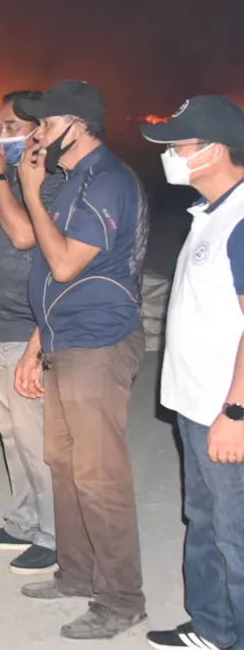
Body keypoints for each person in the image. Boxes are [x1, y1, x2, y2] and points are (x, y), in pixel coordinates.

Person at [12, 80, 149, 641]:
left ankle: (121, 600)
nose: (35, 135)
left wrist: (29, 187)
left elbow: (65, 265)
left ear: (78, 126)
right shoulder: (72, 183)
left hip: (97, 344)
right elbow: (50, 277)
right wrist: (35, 345)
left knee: (99, 477)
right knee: (64, 465)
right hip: (63, 342)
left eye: (43, 124)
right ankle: (76, 572)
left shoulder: (107, 183)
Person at [140, 97, 244, 650]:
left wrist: (238, 411)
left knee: (237, 537)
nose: (170, 156)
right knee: (203, 522)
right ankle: (213, 629)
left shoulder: (243, 218)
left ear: (215, 150)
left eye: (179, 145)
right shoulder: (210, 214)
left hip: (225, 413)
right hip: (195, 408)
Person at [0, 92, 63, 576]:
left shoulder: (45, 182)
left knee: (37, 437)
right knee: (12, 433)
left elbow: (26, 236)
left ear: (36, 130)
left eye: (9, 125)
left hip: (30, 333)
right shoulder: (1, 184)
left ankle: (54, 534)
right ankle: (24, 520)